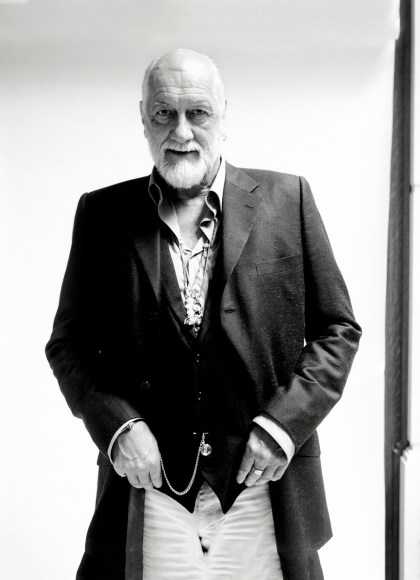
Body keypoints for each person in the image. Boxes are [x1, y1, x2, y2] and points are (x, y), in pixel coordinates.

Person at [46, 48, 361, 580]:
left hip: (265, 490)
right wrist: (119, 428)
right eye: (163, 113)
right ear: (143, 117)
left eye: (198, 113)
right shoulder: (101, 215)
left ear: (223, 114)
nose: (182, 131)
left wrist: (283, 426)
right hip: (150, 495)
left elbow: (338, 329)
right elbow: (68, 345)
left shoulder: (289, 199)